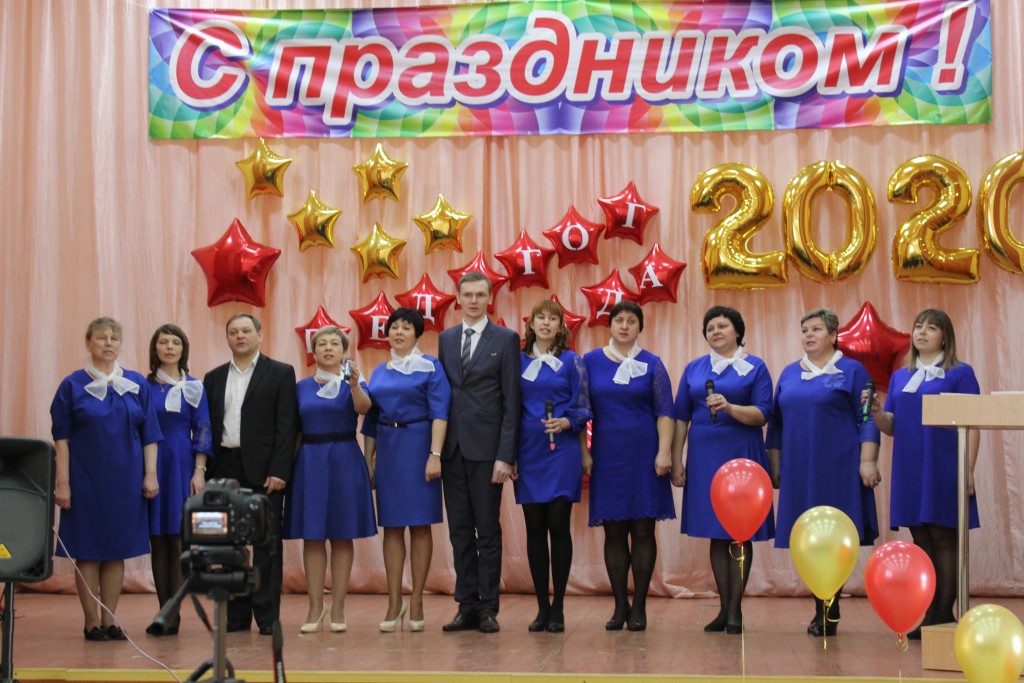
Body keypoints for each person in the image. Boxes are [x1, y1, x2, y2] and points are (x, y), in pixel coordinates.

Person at [766, 308, 881, 637]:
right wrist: (775, 466)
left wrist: (868, 461)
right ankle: (824, 602)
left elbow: (867, 418)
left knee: (833, 539)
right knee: (808, 539)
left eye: (816, 329)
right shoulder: (790, 373)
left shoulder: (852, 371)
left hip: (838, 468)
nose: (809, 335)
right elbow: (776, 425)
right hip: (799, 470)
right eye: (804, 330)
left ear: (833, 335)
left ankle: (828, 606)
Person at [868, 309, 980, 638]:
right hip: (910, 466)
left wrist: (968, 469)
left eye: (931, 328)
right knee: (921, 539)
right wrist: (877, 411)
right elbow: (891, 425)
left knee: (944, 537)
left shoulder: (960, 373)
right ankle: (930, 610)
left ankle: (942, 613)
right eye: (918, 326)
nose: (922, 332)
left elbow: (973, 424)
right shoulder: (901, 377)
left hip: (944, 465)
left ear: (945, 337)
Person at [51, 317, 162, 641]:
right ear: (89, 343)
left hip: (126, 481)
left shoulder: (137, 384)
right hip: (85, 480)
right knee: (88, 550)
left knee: (116, 550)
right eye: (101, 337)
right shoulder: (71, 385)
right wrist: (63, 483)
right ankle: (91, 622)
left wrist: (150, 474)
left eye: (114, 338)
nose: (109, 343)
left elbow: (150, 435)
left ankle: (110, 619)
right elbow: (61, 439)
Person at [671, 306, 774, 635]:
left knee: (740, 531)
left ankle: (736, 610)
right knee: (716, 531)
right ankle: (724, 609)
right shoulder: (694, 368)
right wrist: (676, 458)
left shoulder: (755, 367)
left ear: (738, 332)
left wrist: (730, 407)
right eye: (710, 328)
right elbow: (680, 417)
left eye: (722, 326)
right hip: (704, 457)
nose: (715, 331)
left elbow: (763, 414)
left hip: (742, 455)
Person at [582, 301, 675, 632]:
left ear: (640, 328)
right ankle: (620, 604)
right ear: (610, 325)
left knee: (643, 530)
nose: (624, 326)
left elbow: (665, 412)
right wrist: (584, 453)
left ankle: (640, 606)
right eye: (619, 320)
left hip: (645, 455)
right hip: (607, 455)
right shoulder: (590, 361)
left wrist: (664, 452)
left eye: (631, 321)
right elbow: (581, 410)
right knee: (614, 530)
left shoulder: (653, 363)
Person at [436, 271, 521, 634]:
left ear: (489, 299)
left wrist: (506, 455)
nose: (473, 300)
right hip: (452, 449)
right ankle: (466, 605)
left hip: (488, 451)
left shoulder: (506, 339)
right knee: (459, 531)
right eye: (467, 294)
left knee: (487, 530)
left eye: (480, 295)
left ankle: (488, 607)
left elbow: (511, 402)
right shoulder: (445, 339)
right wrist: (435, 450)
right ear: (458, 298)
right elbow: (442, 395)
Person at [204, 313, 298, 635]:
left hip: (265, 471)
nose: (240, 336)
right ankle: (236, 615)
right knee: (230, 545)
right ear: (227, 338)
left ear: (259, 335)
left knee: (267, 545)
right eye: (233, 332)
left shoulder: (281, 372)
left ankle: (267, 616)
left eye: (246, 330)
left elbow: (287, 426)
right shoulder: (213, 377)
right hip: (224, 469)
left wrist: (280, 470)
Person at [362, 309, 451, 633]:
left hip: (419, 446)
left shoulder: (430, 366)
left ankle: (416, 600)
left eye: (406, 327)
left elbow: (440, 413)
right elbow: (371, 420)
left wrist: (435, 455)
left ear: (417, 334)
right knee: (392, 526)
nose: (398, 332)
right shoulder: (379, 371)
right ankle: (394, 600)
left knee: (420, 525)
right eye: (394, 327)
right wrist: (368, 460)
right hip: (388, 449)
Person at [283, 326, 375, 634]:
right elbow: (294, 429)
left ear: (344, 351)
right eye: (321, 343)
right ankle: (314, 607)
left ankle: (338, 607)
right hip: (309, 461)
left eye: (335, 343)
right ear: (313, 351)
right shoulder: (300, 387)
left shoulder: (354, 382)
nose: (328, 348)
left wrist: (354, 384)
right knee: (312, 536)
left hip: (344, 458)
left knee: (342, 535)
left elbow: (365, 408)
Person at [515, 299, 591, 633]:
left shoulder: (572, 361)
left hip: (561, 453)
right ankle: (541, 608)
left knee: (558, 525)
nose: (546, 323)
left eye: (552, 318)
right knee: (534, 527)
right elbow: (510, 407)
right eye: (540, 317)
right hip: (528, 452)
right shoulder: (517, 362)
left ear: (561, 326)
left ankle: (558, 606)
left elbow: (583, 406)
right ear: (530, 324)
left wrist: (566, 422)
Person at [145, 324, 212, 637]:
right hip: (151, 462)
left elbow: (203, 428)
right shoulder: (144, 385)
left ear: (183, 349)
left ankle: (174, 612)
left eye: (176, 342)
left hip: (182, 463)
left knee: (179, 540)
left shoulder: (194, 386)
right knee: (158, 540)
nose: (170, 347)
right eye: (164, 342)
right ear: (155, 348)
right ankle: (163, 612)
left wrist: (199, 470)